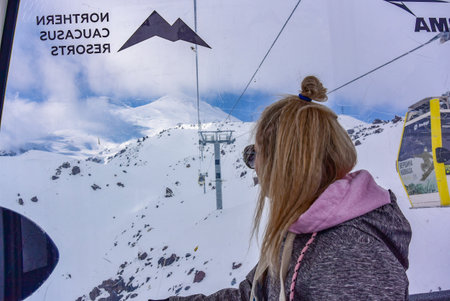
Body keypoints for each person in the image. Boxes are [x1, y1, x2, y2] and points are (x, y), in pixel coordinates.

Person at [150, 76, 412, 300]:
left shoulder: (351, 259)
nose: (254, 166)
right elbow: (251, 295)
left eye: (255, 154)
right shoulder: (306, 228)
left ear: (286, 162)